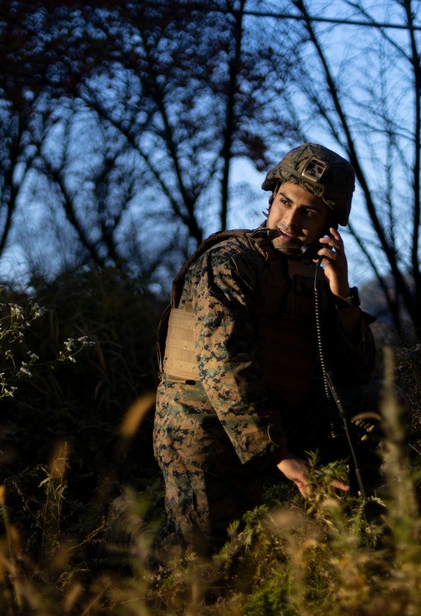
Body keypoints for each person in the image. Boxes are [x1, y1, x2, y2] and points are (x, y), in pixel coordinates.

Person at [153, 143, 388, 555]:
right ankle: (125, 544)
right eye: (285, 202)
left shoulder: (310, 276)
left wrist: (340, 290)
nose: (290, 220)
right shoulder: (230, 261)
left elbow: (356, 374)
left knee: (380, 402)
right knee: (204, 563)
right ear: (271, 196)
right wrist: (284, 459)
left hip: (282, 414)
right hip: (205, 422)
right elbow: (225, 368)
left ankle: (367, 538)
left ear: (329, 224)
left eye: (309, 212)